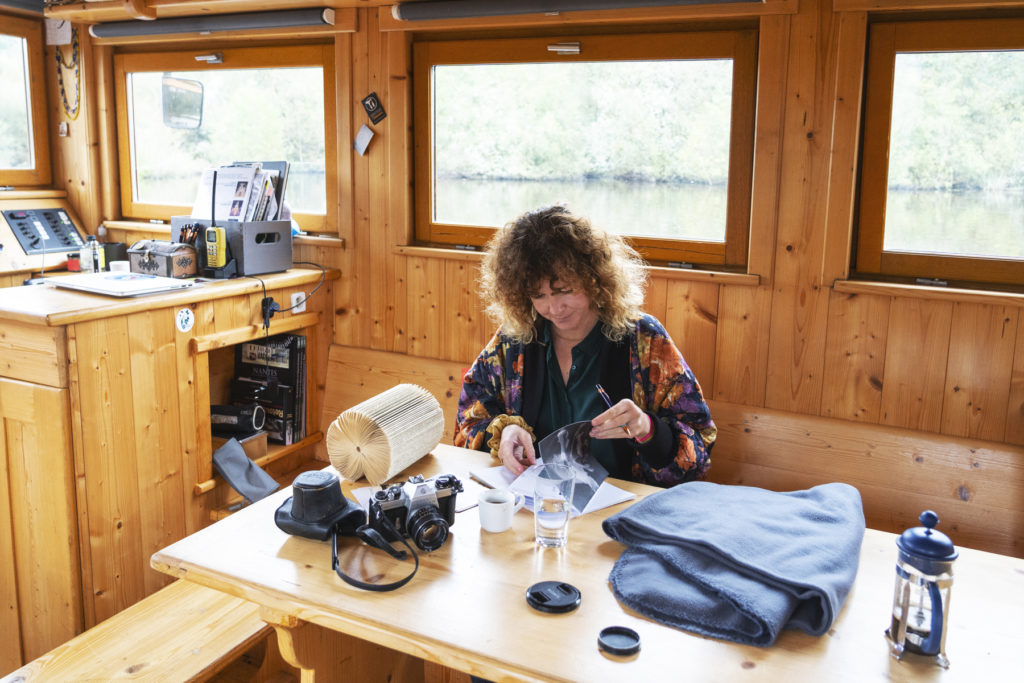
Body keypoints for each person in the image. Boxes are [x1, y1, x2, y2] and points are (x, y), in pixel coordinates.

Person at [455, 205, 716, 487]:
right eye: (538, 295)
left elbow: (699, 450)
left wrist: (647, 429)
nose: (554, 308)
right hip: (534, 505)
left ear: (595, 279)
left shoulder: (644, 340)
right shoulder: (514, 342)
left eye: (565, 290)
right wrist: (504, 433)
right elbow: (467, 421)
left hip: (622, 508)